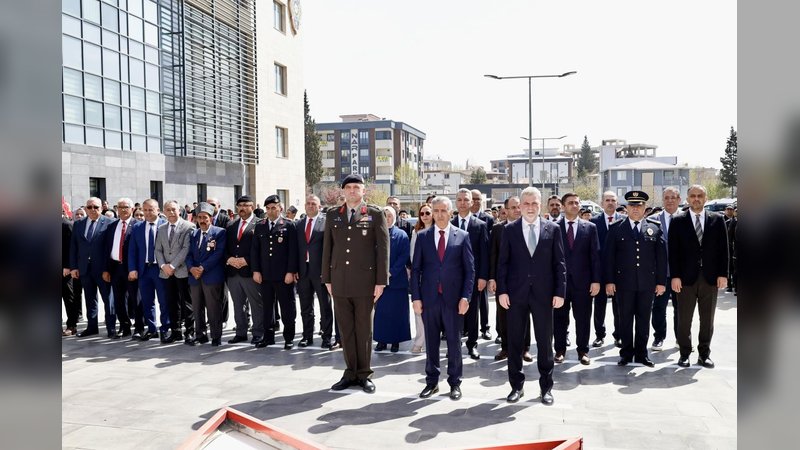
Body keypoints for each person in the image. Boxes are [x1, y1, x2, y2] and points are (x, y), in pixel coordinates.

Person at [497, 187, 566, 405]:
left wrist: (560, 292)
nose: (529, 207)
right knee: (515, 342)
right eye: (525, 203)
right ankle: (516, 387)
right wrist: (502, 291)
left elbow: (560, 264)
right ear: (520, 206)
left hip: (544, 296)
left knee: (545, 343)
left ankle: (546, 387)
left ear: (540, 205)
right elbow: (503, 264)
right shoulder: (510, 230)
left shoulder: (553, 229)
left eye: (534, 203)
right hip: (516, 296)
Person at [323, 173, 389, 394]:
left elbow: (383, 251)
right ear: (343, 191)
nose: (352, 191)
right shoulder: (333, 215)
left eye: (356, 187)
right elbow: (327, 250)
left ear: (363, 191)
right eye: (348, 187)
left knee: (364, 330)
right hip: (339, 281)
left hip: (365, 283)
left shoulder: (374, 214)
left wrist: (381, 281)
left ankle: (364, 374)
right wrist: (327, 279)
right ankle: (350, 372)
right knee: (346, 330)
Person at [411, 196, 474, 400]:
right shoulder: (422, 237)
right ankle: (432, 382)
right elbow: (416, 270)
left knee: (454, 343)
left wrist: (466, 296)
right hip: (429, 299)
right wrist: (416, 298)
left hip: (453, 300)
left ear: (450, 212)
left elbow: (469, 270)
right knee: (431, 343)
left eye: (442, 211)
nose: (438, 214)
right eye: (435, 210)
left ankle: (455, 383)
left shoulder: (462, 236)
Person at [604, 191, 667, 368]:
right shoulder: (616, 228)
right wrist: (609, 281)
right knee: (625, 319)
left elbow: (661, 257)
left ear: (645, 208)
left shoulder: (654, 227)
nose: (636, 209)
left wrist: (661, 282)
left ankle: (641, 354)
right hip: (624, 284)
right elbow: (609, 257)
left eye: (639, 205)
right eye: (632, 205)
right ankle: (625, 353)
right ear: (626, 208)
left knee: (643, 319)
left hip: (647, 284)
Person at [669, 185, 728, 368]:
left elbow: (724, 250)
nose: (696, 199)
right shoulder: (678, 221)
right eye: (693, 196)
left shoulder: (717, 220)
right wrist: (675, 276)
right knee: (684, 319)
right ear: (687, 199)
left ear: (706, 198)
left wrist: (723, 274)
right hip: (685, 279)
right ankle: (684, 353)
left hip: (710, 278)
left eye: (700, 196)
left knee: (707, 319)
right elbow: (673, 252)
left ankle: (704, 354)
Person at [554, 193, 601, 365]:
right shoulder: (553, 227)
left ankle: (583, 351)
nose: (574, 205)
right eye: (570, 203)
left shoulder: (590, 227)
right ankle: (559, 350)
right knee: (559, 318)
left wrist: (596, 280)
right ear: (563, 206)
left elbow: (595, 256)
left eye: (577, 203)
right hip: (560, 284)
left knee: (582, 318)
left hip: (583, 283)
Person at [488, 196, 532, 362]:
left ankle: (525, 349)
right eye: (512, 207)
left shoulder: (529, 227)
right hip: (504, 280)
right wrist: (492, 278)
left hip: (524, 280)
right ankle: (506, 348)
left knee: (525, 315)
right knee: (504, 315)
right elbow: (493, 255)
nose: (516, 210)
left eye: (518, 207)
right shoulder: (498, 229)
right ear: (505, 210)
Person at [251, 195, 299, 349]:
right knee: (267, 308)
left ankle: (289, 337)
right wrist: (256, 270)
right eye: (268, 208)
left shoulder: (289, 225)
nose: (271, 211)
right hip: (265, 275)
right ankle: (268, 337)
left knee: (287, 308)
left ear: (280, 208)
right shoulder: (260, 225)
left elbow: (293, 251)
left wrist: (291, 272)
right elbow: (255, 251)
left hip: (283, 275)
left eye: (274, 208)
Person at [69, 197, 115, 337]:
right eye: (89, 207)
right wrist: (73, 267)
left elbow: (110, 248)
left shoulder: (109, 223)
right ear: (85, 209)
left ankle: (111, 327)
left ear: (101, 208)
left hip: (102, 269)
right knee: (89, 299)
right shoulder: (78, 224)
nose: (93, 210)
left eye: (96, 207)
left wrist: (108, 268)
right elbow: (74, 247)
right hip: (84, 269)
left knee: (108, 299)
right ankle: (92, 327)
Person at [452, 188, 489, 359]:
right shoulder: (449, 223)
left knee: (473, 312)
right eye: (459, 200)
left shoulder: (480, 226)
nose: (462, 203)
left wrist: (483, 277)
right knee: (453, 312)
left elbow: (484, 253)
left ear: (472, 202)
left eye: (466, 200)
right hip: (452, 277)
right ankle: (455, 343)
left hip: (473, 278)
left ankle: (472, 344)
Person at [222, 195, 263, 345]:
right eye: (240, 206)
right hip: (233, 272)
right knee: (238, 304)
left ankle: (258, 332)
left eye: (246, 205)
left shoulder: (260, 224)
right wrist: (229, 259)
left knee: (256, 303)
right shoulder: (231, 225)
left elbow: (261, 249)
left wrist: (246, 260)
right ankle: (241, 332)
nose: (242, 208)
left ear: (252, 207)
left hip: (250, 271)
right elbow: (224, 247)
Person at [296, 195, 335, 349]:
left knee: (325, 306)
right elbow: (295, 250)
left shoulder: (326, 223)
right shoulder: (298, 225)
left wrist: (328, 271)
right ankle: (307, 336)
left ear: (320, 207)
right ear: (305, 206)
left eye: (314, 204)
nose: (310, 206)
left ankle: (326, 337)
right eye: (308, 203)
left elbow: (331, 249)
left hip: (320, 272)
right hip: (303, 272)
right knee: (305, 306)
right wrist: (294, 269)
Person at [185, 202, 227, 346]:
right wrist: (191, 268)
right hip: (195, 277)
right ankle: (200, 335)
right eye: (200, 217)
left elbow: (218, 254)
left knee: (213, 307)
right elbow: (189, 254)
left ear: (211, 218)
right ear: (196, 219)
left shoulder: (219, 232)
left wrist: (202, 268)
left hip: (211, 275)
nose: (202, 220)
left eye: (205, 217)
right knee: (197, 307)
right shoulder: (194, 234)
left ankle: (216, 336)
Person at [155, 200, 196, 344]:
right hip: (165, 272)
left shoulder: (188, 226)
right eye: (168, 210)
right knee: (171, 302)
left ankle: (190, 332)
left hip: (182, 270)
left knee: (187, 303)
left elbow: (186, 249)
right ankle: (176, 331)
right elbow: (158, 250)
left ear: (179, 211)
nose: (171, 212)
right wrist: (163, 266)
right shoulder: (161, 228)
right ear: (164, 212)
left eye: (173, 209)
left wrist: (172, 266)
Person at [127, 199, 169, 341]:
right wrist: (132, 268)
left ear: (158, 210)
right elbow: (132, 250)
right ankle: (152, 329)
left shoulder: (165, 225)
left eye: (151, 209)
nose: (148, 213)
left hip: (161, 269)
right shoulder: (138, 227)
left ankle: (165, 329)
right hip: (144, 270)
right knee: (147, 302)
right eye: (145, 210)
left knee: (164, 301)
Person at [373, 207, 411, 353]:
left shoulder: (402, 235)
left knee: (397, 313)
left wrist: (390, 272)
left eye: (390, 215)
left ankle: (395, 342)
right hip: (379, 282)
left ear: (395, 217)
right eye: (384, 215)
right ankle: (381, 341)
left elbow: (404, 257)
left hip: (396, 282)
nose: (387, 218)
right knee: (381, 314)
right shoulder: (375, 234)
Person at [590, 191, 625, 348]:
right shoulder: (593, 222)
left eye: (613, 200)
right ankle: (599, 335)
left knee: (619, 306)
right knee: (599, 305)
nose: (610, 203)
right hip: (600, 270)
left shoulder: (624, 221)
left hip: (619, 272)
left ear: (617, 203)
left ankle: (619, 335)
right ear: (602, 202)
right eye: (607, 200)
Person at [102, 198, 141, 339]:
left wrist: (134, 268)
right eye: (120, 207)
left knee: (135, 300)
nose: (123, 209)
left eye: (126, 207)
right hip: (115, 268)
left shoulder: (138, 225)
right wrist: (106, 269)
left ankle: (138, 328)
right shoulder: (112, 226)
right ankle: (124, 327)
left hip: (131, 268)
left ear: (132, 209)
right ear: (116, 209)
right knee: (118, 300)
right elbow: (107, 249)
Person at [649, 187, 682, 351]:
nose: (670, 200)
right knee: (658, 307)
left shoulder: (686, 219)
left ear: (679, 199)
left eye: (673, 197)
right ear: (663, 200)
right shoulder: (653, 220)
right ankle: (659, 337)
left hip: (682, 274)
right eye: (666, 197)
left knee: (682, 308)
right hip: (660, 274)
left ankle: (681, 338)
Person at [409, 203, 434, 353]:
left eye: (427, 213)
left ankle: (432, 341)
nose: (424, 216)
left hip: (436, 277)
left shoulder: (439, 230)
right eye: (422, 213)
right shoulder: (416, 232)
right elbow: (413, 255)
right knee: (419, 310)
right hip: (420, 276)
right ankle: (419, 341)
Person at [469, 189, 493, 340]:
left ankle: (485, 327)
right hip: (465, 268)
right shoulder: (457, 220)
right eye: (474, 199)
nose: (476, 202)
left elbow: (488, 246)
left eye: (478, 199)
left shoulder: (487, 219)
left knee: (482, 301)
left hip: (481, 267)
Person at [62, 216, 80, 336]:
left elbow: (71, 247)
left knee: (69, 297)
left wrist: (68, 266)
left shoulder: (67, 224)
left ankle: (71, 325)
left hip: (64, 269)